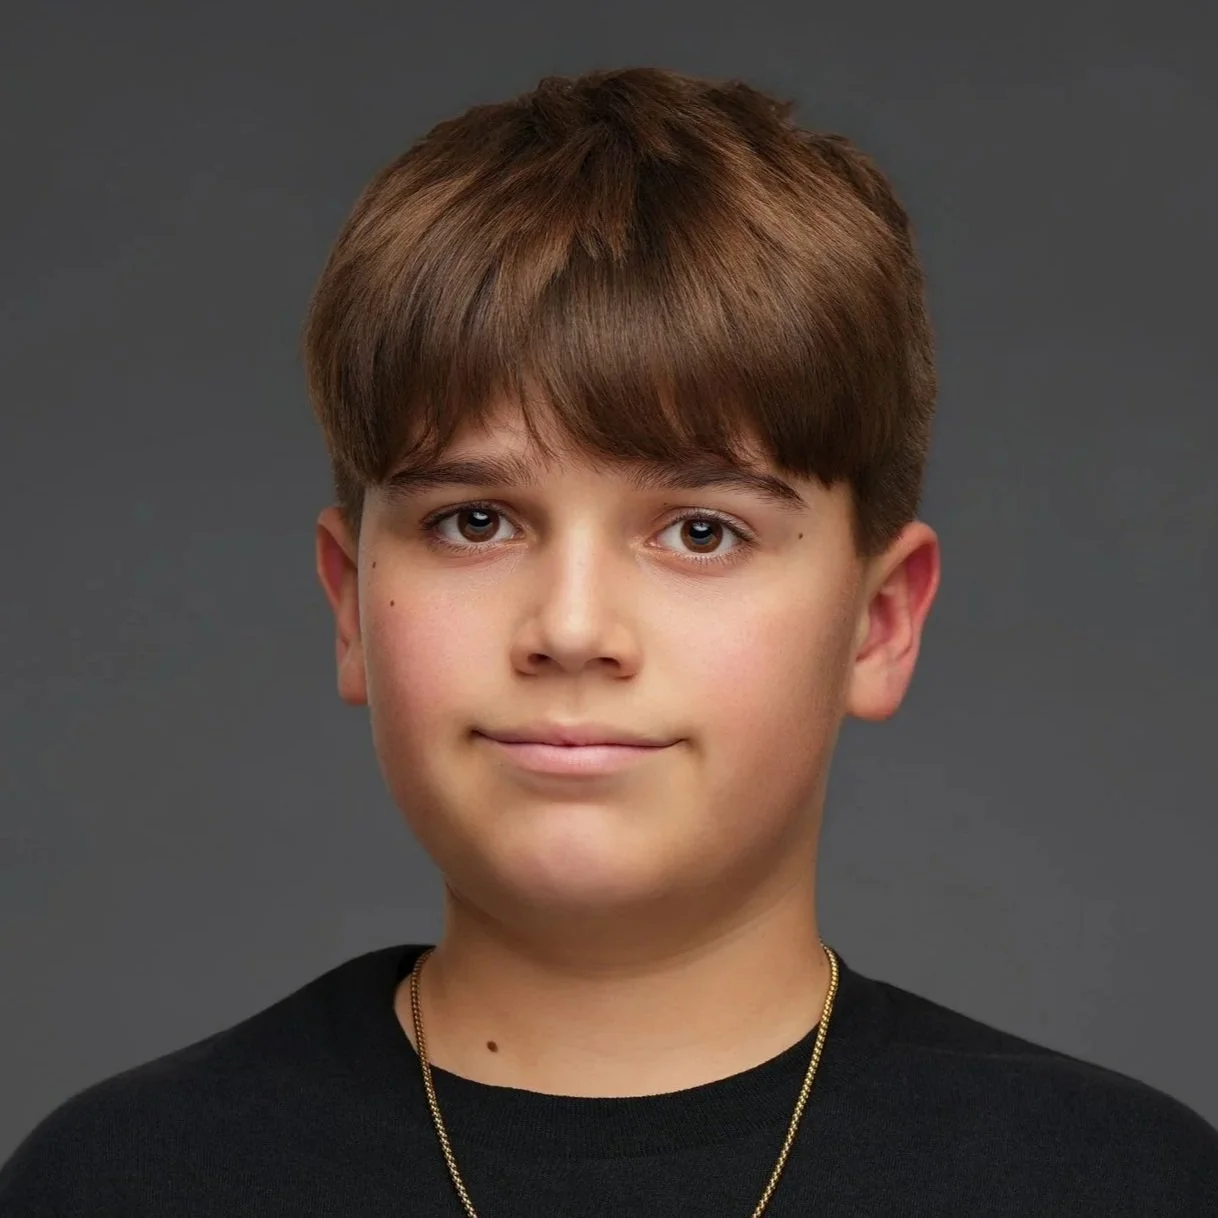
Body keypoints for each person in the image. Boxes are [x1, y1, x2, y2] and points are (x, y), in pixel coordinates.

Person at [3, 65, 1216, 1218]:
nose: (573, 629)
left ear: (879, 624)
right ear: (350, 603)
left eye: (701, 532)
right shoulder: (120, 1184)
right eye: (475, 522)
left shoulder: (1120, 1185)